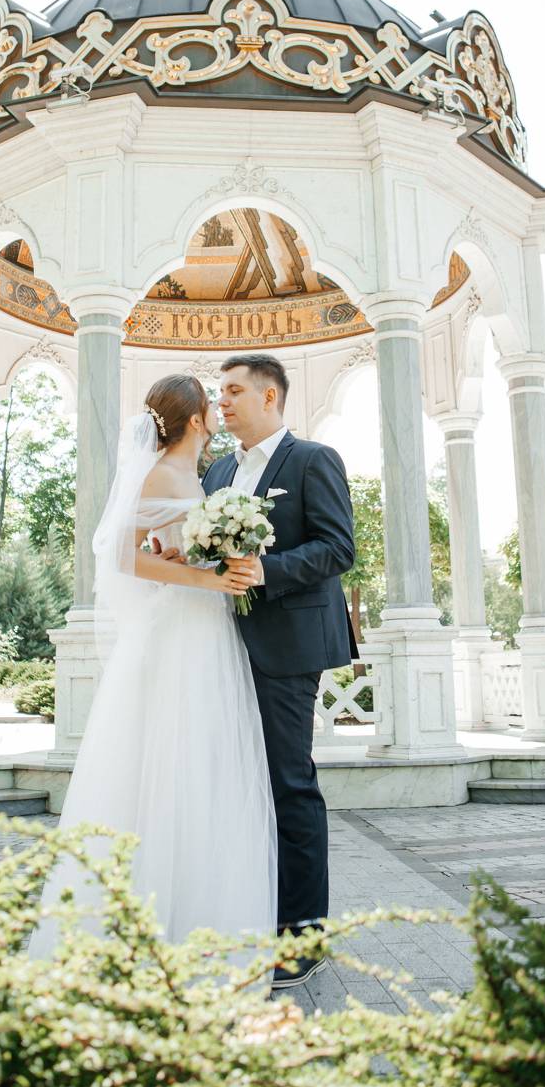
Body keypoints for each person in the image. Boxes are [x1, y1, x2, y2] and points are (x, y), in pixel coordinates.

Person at [27, 374, 277, 957]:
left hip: (210, 628)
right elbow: (121, 554)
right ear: (194, 420)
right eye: (210, 404)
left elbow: (166, 547)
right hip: (180, 630)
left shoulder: (197, 477)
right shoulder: (161, 473)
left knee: (204, 763)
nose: (218, 410)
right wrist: (205, 578)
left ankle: (195, 913)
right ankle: (153, 920)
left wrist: (197, 559)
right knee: (172, 758)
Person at [202, 355, 356, 990]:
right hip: (220, 645)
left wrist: (268, 569)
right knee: (239, 783)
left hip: (289, 645)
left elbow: (338, 547)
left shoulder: (313, 460)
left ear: (270, 396)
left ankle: (303, 936)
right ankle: (253, 913)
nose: (222, 401)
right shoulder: (217, 471)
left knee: (290, 783)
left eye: (233, 391)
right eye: (220, 392)